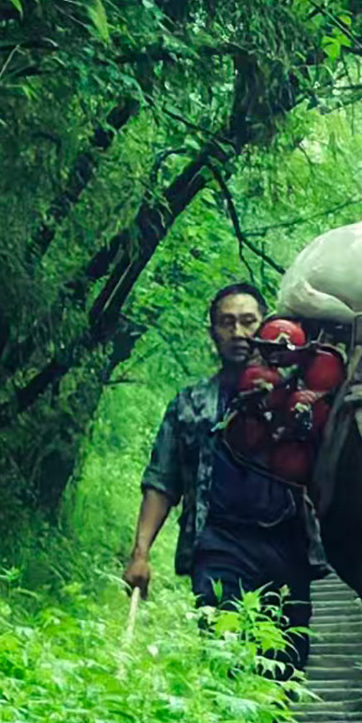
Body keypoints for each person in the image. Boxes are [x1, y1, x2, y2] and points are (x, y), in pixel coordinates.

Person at [124, 282, 320, 674]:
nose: (239, 333)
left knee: (284, 666)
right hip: (218, 542)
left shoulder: (301, 402)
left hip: (287, 545)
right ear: (213, 331)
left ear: (267, 327)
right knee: (222, 651)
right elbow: (162, 480)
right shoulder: (191, 403)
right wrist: (141, 553)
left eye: (249, 322)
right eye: (226, 323)